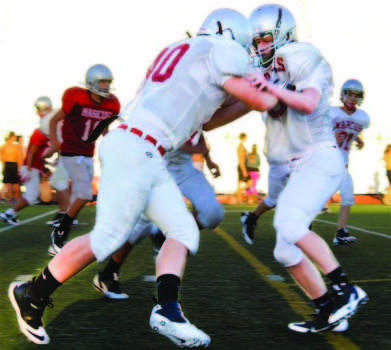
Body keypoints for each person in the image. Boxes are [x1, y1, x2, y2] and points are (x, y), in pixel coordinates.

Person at [8, 8, 279, 346]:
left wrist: (257, 101)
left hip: (141, 148)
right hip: (137, 148)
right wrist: (275, 92)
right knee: (106, 237)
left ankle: (167, 309)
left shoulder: (190, 51)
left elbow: (208, 120)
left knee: (183, 230)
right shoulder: (219, 50)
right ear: (230, 35)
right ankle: (32, 293)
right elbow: (261, 98)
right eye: (244, 43)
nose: (247, 52)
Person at [216, 4, 368, 333]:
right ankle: (328, 310)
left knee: (289, 221)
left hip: (321, 156)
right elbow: (235, 107)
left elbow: (310, 101)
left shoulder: (302, 54)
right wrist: (203, 115)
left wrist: (267, 86)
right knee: (285, 250)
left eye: (264, 39)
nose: (259, 47)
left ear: (283, 34)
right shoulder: (267, 72)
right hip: (299, 166)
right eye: (254, 42)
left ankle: (346, 290)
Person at [94, 131, 224, 299]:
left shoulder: (199, 107)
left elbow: (198, 132)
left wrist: (209, 159)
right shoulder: (165, 107)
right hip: (156, 169)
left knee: (213, 213)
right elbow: (173, 138)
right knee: (139, 226)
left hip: (185, 170)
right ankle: (109, 273)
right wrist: (194, 147)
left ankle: (166, 232)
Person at [46, 64, 120, 256]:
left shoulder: (111, 104)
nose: (105, 86)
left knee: (81, 194)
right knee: (85, 193)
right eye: (102, 81)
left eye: (108, 82)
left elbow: (104, 130)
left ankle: (61, 227)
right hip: (71, 152)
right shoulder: (76, 97)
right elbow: (54, 120)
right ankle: (59, 233)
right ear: (91, 82)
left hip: (88, 154)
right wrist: (55, 144)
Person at [0, 98, 56, 225]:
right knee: (31, 196)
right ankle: (9, 213)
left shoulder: (45, 131)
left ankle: (11, 214)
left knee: (32, 195)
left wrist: (47, 165)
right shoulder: (40, 132)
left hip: (34, 166)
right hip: (31, 167)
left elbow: (39, 154)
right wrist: (29, 168)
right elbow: (31, 152)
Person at [330, 79, 370, 245]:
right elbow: (316, 135)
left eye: (356, 95)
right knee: (316, 199)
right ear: (343, 95)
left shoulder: (361, 118)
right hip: (326, 162)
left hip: (342, 164)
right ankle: (303, 230)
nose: (353, 98)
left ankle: (340, 232)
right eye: (350, 94)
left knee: (347, 197)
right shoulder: (331, 113)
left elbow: (351, 131)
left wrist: (358, 140)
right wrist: (331, 138)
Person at [0, 131, 23, 204]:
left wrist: (4, 164)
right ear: (12, 137)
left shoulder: (4, 146)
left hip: (8, 164)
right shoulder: (15, 146)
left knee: (8, 183)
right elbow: (19, 158)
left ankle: (11, 199)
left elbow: (2, 157)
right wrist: (20, 167)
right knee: (14, 183)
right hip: (13, 164)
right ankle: (15, 199)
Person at [236, 132, 251, 202]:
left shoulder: (242, 146)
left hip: (243, 166)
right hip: (242, 166)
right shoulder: (240, 147)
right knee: (249, 182)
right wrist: (244, 170)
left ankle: (239, 199)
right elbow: (241, 159)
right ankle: (238, 196)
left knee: (240, 184)